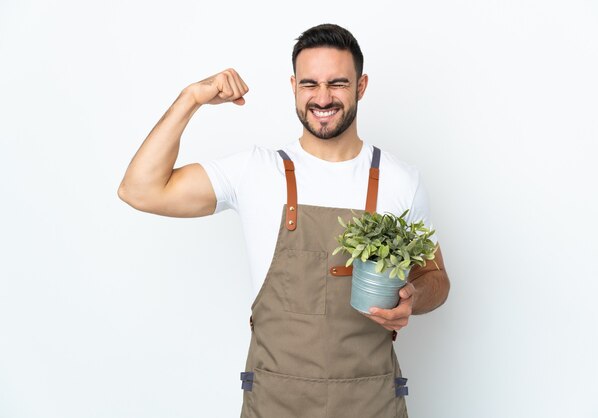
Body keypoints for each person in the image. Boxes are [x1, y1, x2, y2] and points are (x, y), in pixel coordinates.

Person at [118, 23, 450, 418]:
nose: (322, 97)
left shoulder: (400, 180)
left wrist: (413, 300)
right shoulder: (255, 171)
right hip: (275, 402)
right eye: (310, 84)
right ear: (293, 86)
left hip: (370, 401)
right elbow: (139, 190)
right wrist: (190, 99)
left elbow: (436, 279)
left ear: (361, 87)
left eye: (338, 83)